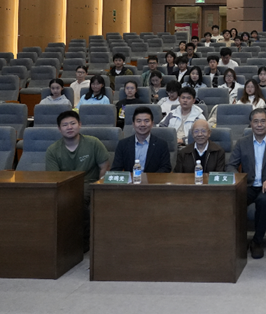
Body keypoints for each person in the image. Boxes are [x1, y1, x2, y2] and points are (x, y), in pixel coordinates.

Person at [227, 108, 266, 259]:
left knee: (263, 200)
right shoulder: (242, 143)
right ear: (251, 124)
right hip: (248, 185)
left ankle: (257, 241)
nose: (259, 125)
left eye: (263, 121)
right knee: (233, 200)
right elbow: (231, 166)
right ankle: (237, 240)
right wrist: (239, 179)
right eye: (256, 121)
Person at [45, 110, 110, 251]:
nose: (69, 127)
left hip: (89, 183)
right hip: (64, 185)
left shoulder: (93, 143)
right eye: (65, 125)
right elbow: (54, 177)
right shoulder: (52, 150)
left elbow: (104, 166)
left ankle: (83, 241)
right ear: (59, 129)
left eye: (73, 123)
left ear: (80, 124)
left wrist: (99, 187)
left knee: (77, 200)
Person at [111, 106, 171, 173]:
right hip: (131, 179)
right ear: (133, 124)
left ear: (152, 124)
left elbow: (166, 168)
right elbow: (116, 169)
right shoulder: (123, 144)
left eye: (146, 121)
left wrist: (149, 178)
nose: (143, 124)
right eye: (139, 121)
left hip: (152, 179)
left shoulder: (161, 145)